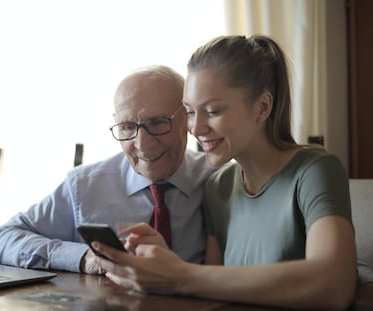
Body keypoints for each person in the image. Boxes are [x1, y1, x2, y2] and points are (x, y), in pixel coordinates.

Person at [89, 35, 358, 310]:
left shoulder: (315, 170)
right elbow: (212, 290)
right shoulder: (218, 186)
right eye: (190, 112)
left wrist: (178, 274)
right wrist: (166, 261)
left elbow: (334, 286)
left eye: (213, 111)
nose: (196, 128)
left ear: (262, 107)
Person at [0, 65, 217, 274]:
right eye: (127, 127)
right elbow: (2, 240)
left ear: (188, 119)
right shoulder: (84, 186)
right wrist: (82, 257)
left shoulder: (220, 181)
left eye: (157, 123)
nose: (142, 144)